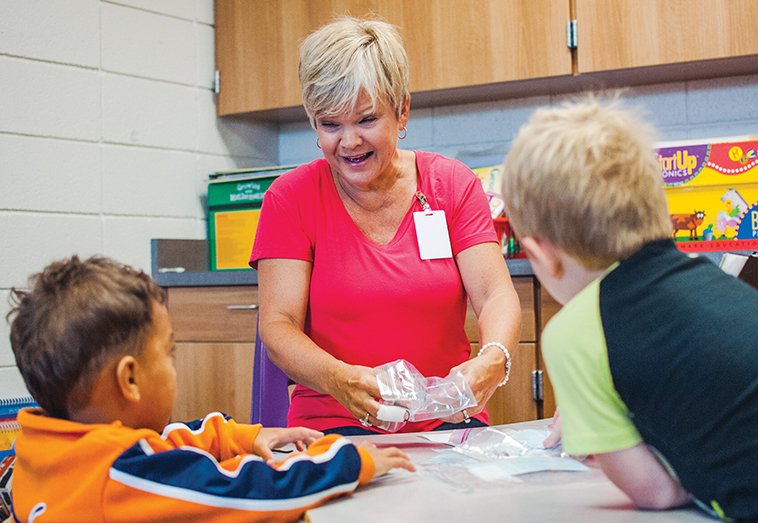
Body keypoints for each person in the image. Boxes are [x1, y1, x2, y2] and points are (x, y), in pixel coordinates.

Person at [250, 16, 521, 435]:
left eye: (366, 120)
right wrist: (340, 380)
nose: (349, 142)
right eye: (330, 124)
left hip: (448, 421)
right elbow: (278, 323)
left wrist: (494, 358)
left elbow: (494, 294)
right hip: (336, 424)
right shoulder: (290, 199)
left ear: (402, 110)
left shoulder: (451, 184)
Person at [500, 96, 758, 521]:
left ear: (541, 255)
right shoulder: (707, 279)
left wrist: (609, 439)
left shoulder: (572, 333)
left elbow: (655, 492)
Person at [7, 255, 415, 522]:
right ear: (129, 380)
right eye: (167, 352)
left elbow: (160, 443)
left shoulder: (42, 447)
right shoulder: (122, 476)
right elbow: (254, 493)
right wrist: (345, 458)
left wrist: (237, 436)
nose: (173, 363)